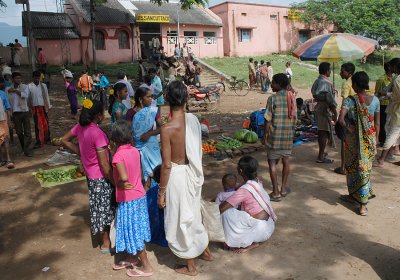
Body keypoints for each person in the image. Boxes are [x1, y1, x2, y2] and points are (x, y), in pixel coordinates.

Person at [158, 81, 212, 276]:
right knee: (193, 213)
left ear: (166, 99)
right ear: (186, 99)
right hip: (192, 172)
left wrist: (161, 192)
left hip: (177, 175)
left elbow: (166, 165)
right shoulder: (193, 120)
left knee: (182, 220)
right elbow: (164, 116)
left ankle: (190, 267)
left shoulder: (167, 128)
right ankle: (205, 251)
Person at [62, 99, 116, 253]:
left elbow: (64, 140)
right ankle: (105, 242)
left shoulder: (80, 127)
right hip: (100, 176)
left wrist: (81, 152)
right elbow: (104, 165)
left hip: (90, 174)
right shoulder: (97, 133)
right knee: (104, 208)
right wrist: (114, 181)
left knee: (98, 205)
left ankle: (105, 240)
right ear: (98, 115)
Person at [110, 120, 153, 277]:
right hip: (139, 195)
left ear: (114, 138)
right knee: (136, 228)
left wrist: (120, 184)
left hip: (128, 199)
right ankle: (131, 258)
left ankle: (147, 266)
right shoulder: (134, 150)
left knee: (133, 231)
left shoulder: (118, 156)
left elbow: (123, 176)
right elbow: (139, 174)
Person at [338, 71, 379, 216]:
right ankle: (353, 196)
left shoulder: (350, 101)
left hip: (353, 142)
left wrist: (349, 129)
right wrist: (376, 140)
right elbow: (377, 123)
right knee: (364, 171)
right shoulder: (376, 101)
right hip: (369, 141)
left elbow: (341, 119)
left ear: (355, 85)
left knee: (354, 169)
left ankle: (363, 205)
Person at [219, 156, 277, 253]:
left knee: (226, 213)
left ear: (240, 171)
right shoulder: (257, 182)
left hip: (260, 231)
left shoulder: (244, 189)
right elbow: (241, 188)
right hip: (269, 226)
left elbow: (221, 208)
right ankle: (253, 242)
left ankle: (239, 242)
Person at [262, 73, 296, 201]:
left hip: (274, 136)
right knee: (286, 160)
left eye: (273, 82)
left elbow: (267, 119)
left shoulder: (272, 99)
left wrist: (265, 136)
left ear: (279, 84)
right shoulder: (291, 97)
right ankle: (283, 188)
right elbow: (295, 117)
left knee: (272, 162)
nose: (271, 85)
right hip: (287, 135)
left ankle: (275, 192)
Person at [132, 87, 162, 181]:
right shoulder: (131, 113)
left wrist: (149, 134)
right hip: (137, 149)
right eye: (148, 97)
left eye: (151, 97)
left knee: (157, 173)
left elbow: (162, 128)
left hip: (152, 148)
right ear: (140, 99)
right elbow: (129, 133)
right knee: (144, 178)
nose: (151, 99)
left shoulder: (153, 111)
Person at [375, 58, 400, 167]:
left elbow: (396, 96)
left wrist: (386, 95)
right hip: (394, 110)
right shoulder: (395, 78)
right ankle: (391, 153)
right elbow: (386, 89)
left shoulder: (397, 79)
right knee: (393, 132)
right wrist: (381, 94)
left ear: (395, 67)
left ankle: (381, 159)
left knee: (392, 133)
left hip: (397, 111)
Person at [311, 62, 337, 163]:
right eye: (330, 70)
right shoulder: (325, 83)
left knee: (322, 131)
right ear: (327, 71)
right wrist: (334, 111)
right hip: (324, 108)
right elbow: (330, 99)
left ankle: (321, 153)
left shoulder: (317, 80)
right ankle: (321, 156)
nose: (330, 71)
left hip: (320, 107)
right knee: (324, 132)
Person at [334, 62, 356, 175]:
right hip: (356, 114)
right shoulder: (356, 82)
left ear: (349, 73)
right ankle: (351, 165)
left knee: (344, 141)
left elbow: (345, 102)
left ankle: (343, 167)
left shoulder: (346, 84)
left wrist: (340, 117)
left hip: (347, 115)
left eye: (343, 71)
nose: (340, 73)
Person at [7, 71, 32, 157]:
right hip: (15, 113)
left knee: (28, 132)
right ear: (13, 79)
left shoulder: (25, 86)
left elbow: (25, 95)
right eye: (17, 78)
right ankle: (24, 148)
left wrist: (15, 90)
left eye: (20, 78)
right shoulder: (8, 89)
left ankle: (27, 150)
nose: (19, 80)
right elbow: (8, 102)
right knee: (19, 132)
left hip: (24, 111)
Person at [144, 164, 168, 247]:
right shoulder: (170, 191)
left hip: (154, 228)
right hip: (167, 228)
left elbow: (145, 193)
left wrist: (149, 179)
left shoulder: (152, 191)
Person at [28, 70, 51, 149]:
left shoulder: (43, 85)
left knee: (45, 123)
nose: (37, 79)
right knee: (37, 125)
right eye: (35, 78)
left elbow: (46, 96)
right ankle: (39, 141)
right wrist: (29, 108)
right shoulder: (29, 86)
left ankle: (47, 139)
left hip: (43, 106)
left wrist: (48, 106)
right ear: (33, 78)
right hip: (34, 107)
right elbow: (28, 98)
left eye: (38, 78)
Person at [375, 62, 392, 146]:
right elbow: (377, 93)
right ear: (389, 68)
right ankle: (382, 140)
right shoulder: (381, 79)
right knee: (382, 123)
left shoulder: (395, 78)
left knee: (389, 123)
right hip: (382, 104)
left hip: (391, 103)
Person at [0, 77, 14, 169]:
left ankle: (8, 159)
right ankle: (2, 159)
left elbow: (8, 108)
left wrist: (9, 120)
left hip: (3, 119)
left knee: (5, 139)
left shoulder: (2, 93)